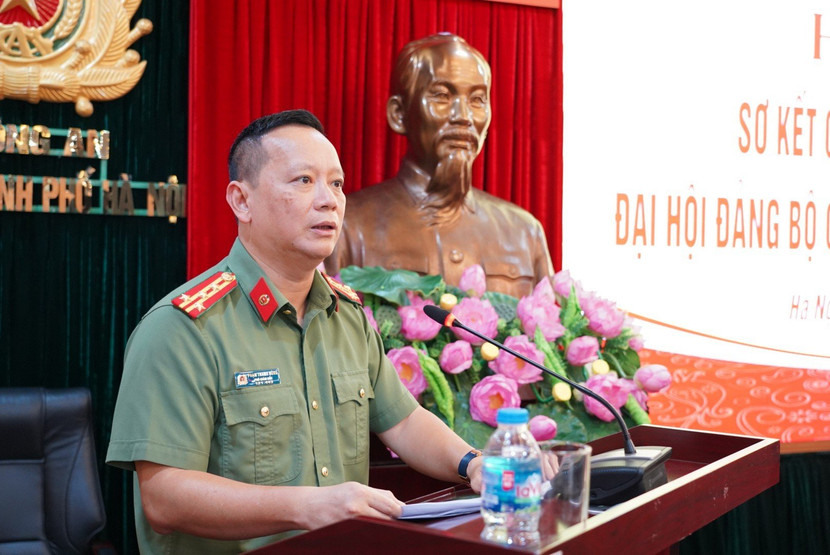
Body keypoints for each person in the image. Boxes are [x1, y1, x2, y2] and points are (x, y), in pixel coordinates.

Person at [106, 109, 483, 553]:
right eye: (303, 180)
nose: (329, 200)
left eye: (337, 183)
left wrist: (474, 464)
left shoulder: (347, 316)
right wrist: (307, 506)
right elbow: (165, 499)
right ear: (241, 201)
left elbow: (404, 423)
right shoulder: (183, 329)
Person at [326, 33, 554, 298]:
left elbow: (552, 332)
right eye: (442, 96)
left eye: (477, 100)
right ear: (399, 114)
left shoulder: (525, 232)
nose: (464, 116)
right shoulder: (348, 225)